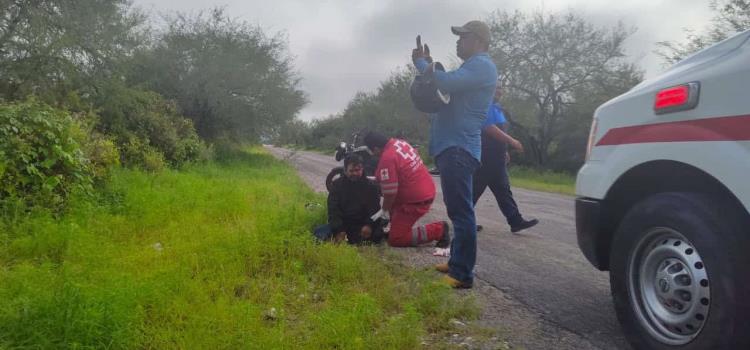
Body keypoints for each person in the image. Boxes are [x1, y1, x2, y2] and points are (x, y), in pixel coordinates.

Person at [412, 20, 496, 288]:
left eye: (463, 37)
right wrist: (428, 66)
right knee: (459, 209)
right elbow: (444, 88)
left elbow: (446, 82)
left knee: (461, 213)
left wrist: (424, 65)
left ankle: (462, 274)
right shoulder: (472, 66)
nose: (458, 41)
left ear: (479, 41)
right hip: (455, 147)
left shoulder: (482, 65)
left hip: (459, 148)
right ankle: (456, 262)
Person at [364, 131, 451, 248]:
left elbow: (389, 193)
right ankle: (395, 226)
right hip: (425, 189)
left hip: (415, 201)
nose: (373, 154)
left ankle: (439, 230)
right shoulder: (399, 143)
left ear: (375, 148)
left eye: (372, 151)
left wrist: (384, 211)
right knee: (392, 207)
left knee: (396, 239)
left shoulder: (387, 158)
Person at [475, 84, 539, 233]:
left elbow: (498, 132)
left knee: (503, 190)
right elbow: (489, 128)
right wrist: (511, 141)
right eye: (496, 88)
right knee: (474, 190)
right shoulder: (485, 105)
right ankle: (463, 220)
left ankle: (515, 221)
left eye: (501, 89)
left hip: (496, 158)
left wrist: (504, 151)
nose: (499, 91)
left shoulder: (497, 108)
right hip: (486, 157)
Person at [325, 154, 384, 244]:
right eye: (351, 171)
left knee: (377, 234)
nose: (355, 173)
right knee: (321, 233)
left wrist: (368, 225)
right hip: (344, 224)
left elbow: (375, 209)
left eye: (357, 170)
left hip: (362, 223)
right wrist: (339, 229)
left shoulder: (371, 187)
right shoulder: (337, 185)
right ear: (345, 171)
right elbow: (333, 209)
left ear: (362, 169)